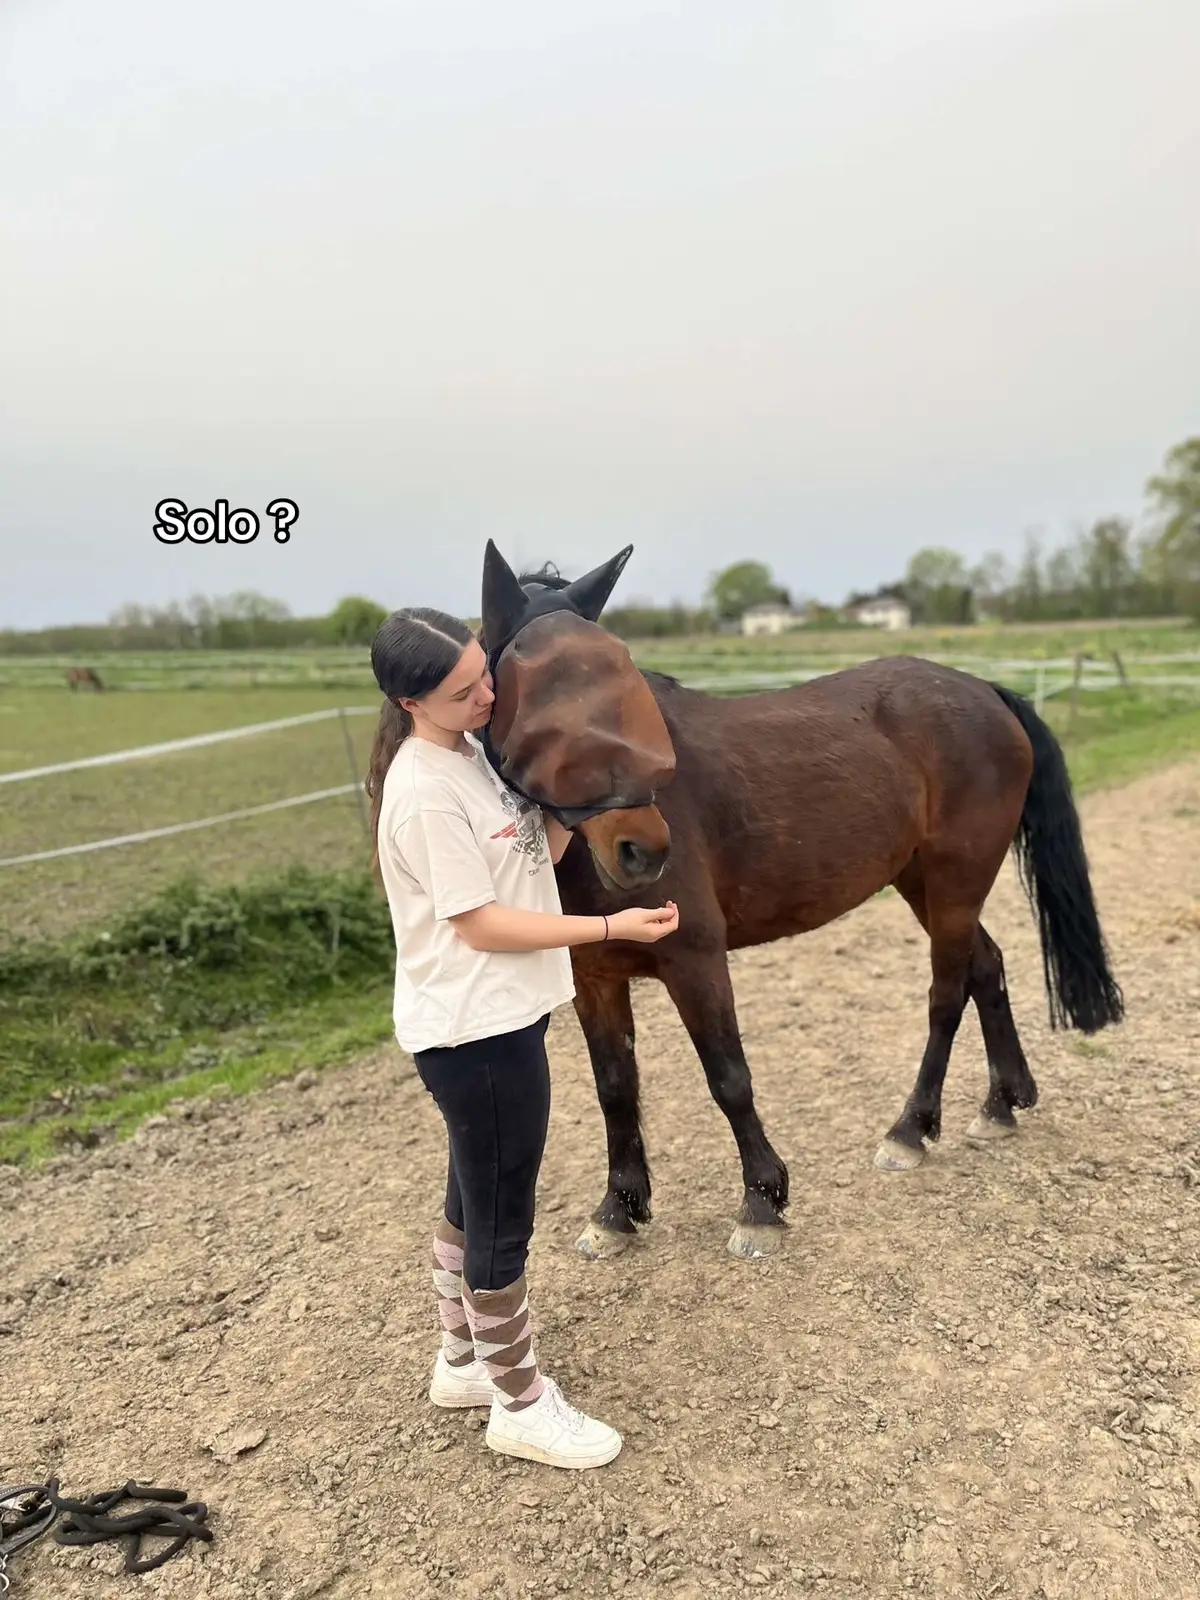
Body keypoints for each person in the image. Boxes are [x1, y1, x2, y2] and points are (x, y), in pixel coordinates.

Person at [366, 606, 678, 1471]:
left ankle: (461, 1361)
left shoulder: (468, 756)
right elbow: (482, 922)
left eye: (485, 676)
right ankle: (521, 1404)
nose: (486, 695)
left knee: (472, 1196)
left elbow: (521, 853)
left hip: (497, 1017)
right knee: (503, 1219)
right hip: (476, 1029)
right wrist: (612, 927)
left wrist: (581, 801)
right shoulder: (425, 793)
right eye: (464, 690)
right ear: (408, 701)